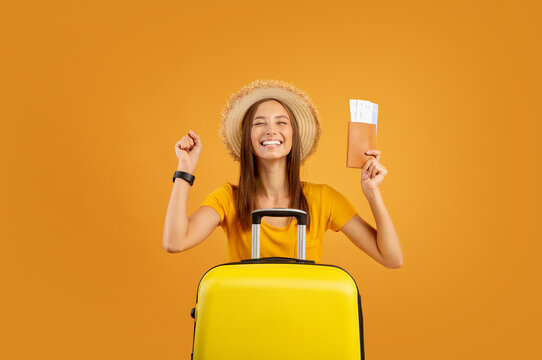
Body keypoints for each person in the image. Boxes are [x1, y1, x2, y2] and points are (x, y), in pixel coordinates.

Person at [163, 79, 403, 268]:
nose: (271, 131)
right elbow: (174, 242)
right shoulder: (228, 199)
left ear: (293, 136)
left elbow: (391, 259)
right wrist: (185, 168)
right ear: (248, 138)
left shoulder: (322, 199)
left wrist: (372, 193)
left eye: (281, 122)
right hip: (243, 324)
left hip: (302, 324)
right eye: (259, 123)